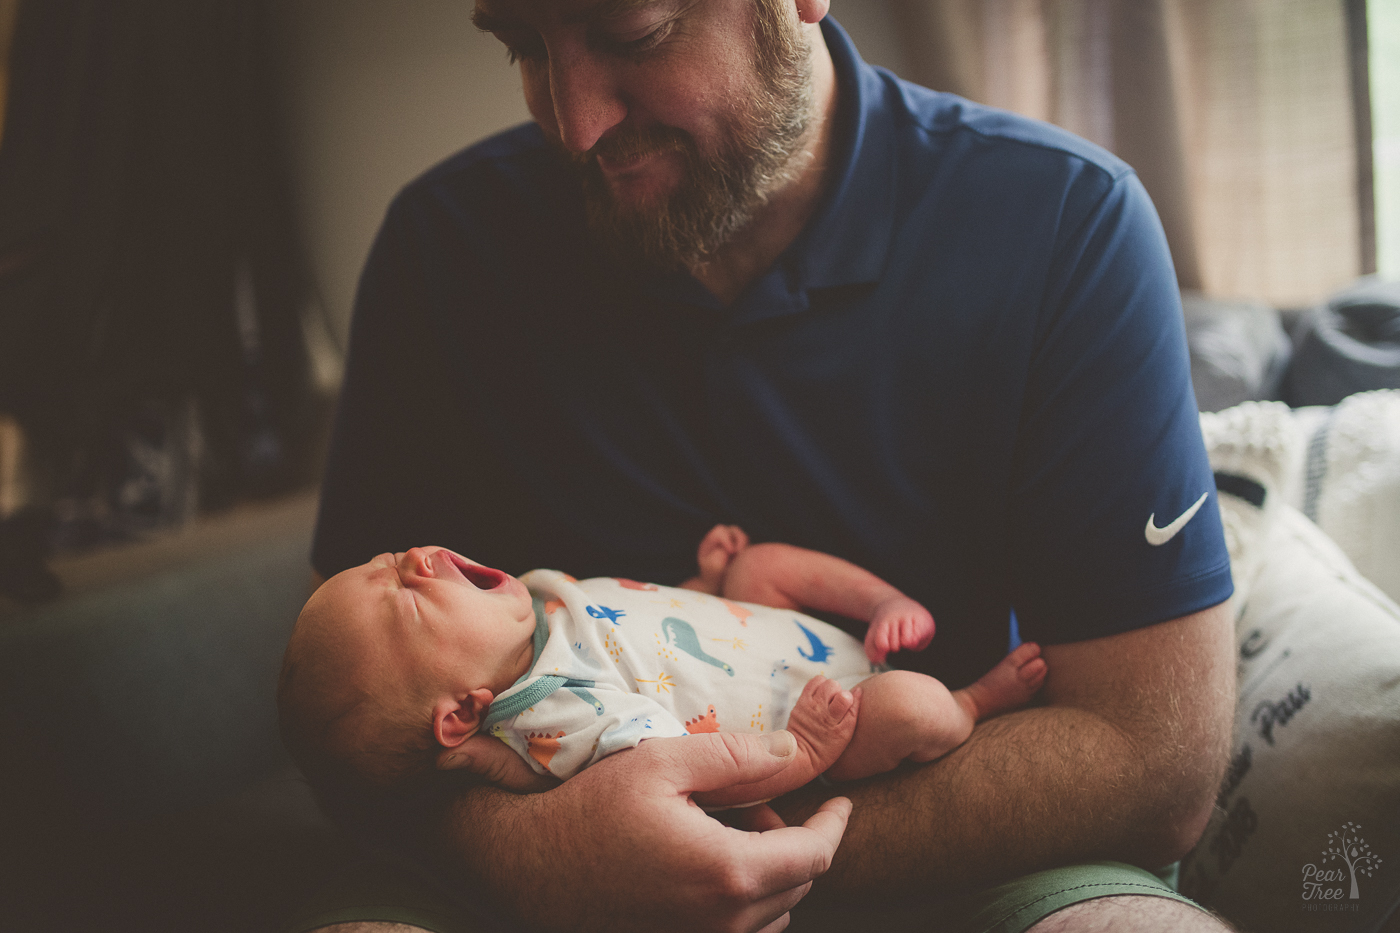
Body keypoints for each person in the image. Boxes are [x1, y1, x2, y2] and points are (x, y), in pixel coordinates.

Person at [306, 0, 1239, 930]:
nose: (577, 124)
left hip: (969, 861)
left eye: (633, 32)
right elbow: (351, 726)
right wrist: (545, 854)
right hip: (515, 883)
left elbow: (1154, 759)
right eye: (522, 46)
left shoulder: (1064, 222)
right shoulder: (444, 248)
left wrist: (734, 851)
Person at [279, 541, 1048, 806]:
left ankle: (883, 600)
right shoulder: (555, 716)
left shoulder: (547, 601)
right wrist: (805, 754)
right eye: (406, 603)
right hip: (824, 711)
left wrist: (705, 584)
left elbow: (648, 628)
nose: (413, 559)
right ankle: (973, 700)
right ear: (459, 713)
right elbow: (689, 774)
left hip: (780, 639)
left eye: (386, 562)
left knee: (760, 564)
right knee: (913, 704)